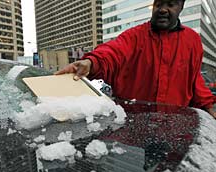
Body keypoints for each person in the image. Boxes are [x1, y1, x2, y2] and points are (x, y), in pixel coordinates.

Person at [55, 0, 216, 119]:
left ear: (181, 7)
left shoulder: (192, 40)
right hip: (134, 129)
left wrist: (207, 107)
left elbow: (195, 80)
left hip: (176, 128)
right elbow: (112, 52)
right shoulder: (134, 36)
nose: (163, 10)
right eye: (159, 4)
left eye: (170, 4)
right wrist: (91, 63)